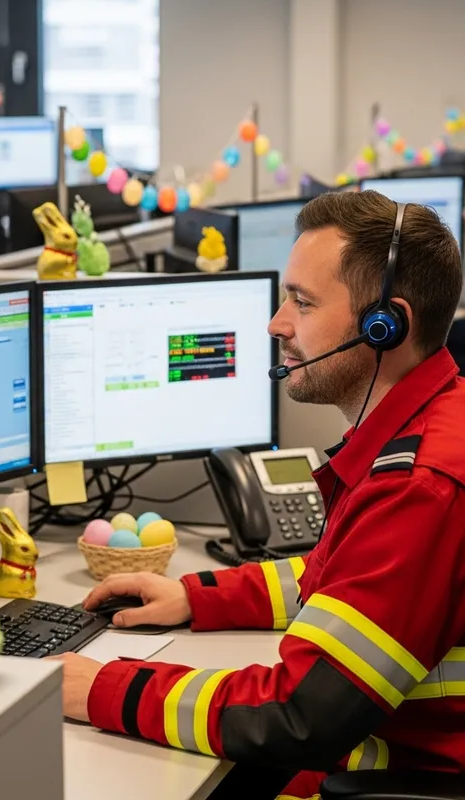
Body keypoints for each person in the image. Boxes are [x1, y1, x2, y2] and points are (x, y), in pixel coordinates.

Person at [51, 190, 465, 799]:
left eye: (302, 301)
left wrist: (101, 688)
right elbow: (339, 578)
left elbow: (299, 716)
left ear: (385, 325)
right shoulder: (428, 426)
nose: (276, 323)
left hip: (397, 775)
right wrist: (198, 596)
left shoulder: (421, 486)